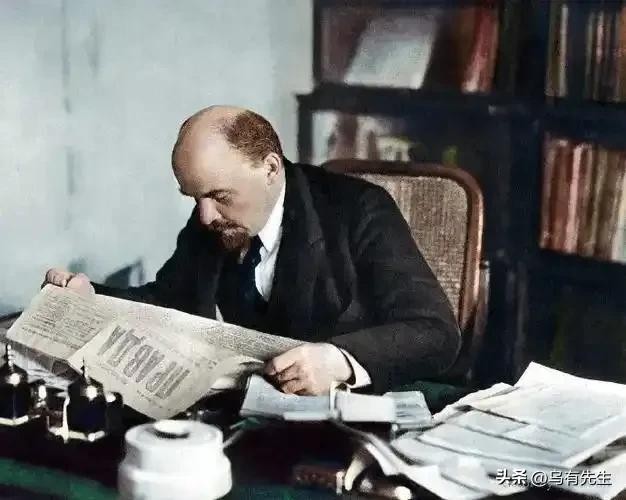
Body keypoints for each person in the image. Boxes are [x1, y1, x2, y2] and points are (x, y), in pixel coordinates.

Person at [44, 105, 460, 395]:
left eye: (220, 195)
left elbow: (436, 333)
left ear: (270, 168)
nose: (205, 215)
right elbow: (170, 300)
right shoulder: (214, 217)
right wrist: (93, 298)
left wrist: (340, 361)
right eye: (194, 198)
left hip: (350, 415)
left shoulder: (360, 210)